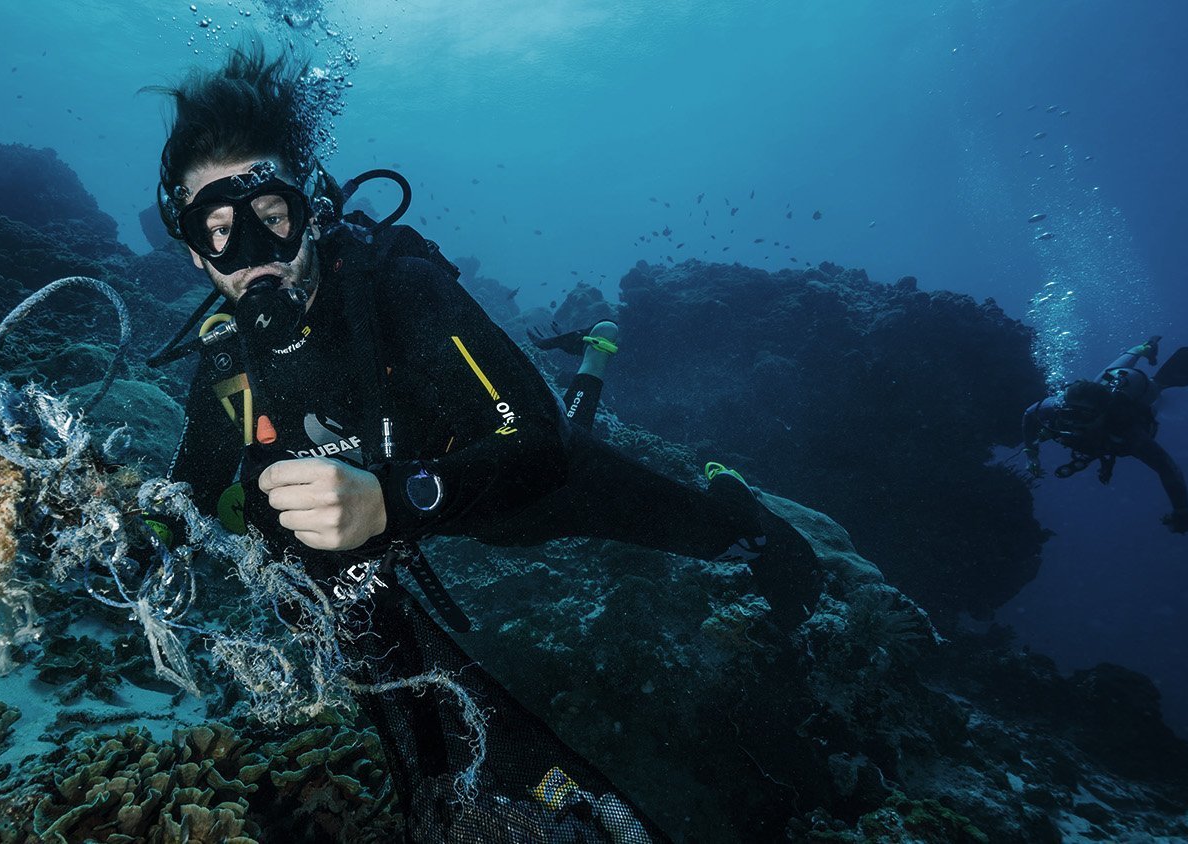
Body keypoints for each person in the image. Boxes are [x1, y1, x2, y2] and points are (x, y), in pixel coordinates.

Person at [147, 48, 823, 842]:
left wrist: (393, 500)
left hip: (509, 478)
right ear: (192, 250)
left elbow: (537, 441)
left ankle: (740, 514)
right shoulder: (226, 356)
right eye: (218, 233)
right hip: (395, 532)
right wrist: (144, 537)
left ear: (316, 211)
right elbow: (186, 486)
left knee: (674, 515)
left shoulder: (399, 288)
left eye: (271, 218)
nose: (250, 255)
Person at [1023, 336, 1188, 534]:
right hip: (1108, 390)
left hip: (1132, 394)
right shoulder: (1055, 406)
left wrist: (1182, 511)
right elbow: (1029, 414)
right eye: (1069, 414)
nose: (1073, 422)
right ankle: (1144, 348)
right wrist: (1031, 452)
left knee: (1153, 385)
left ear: (1102, 414)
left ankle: (1157, 382)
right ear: (1062, 406)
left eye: (1083, 416)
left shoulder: (1129, 432)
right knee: (1105, 378)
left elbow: (1167, 468)